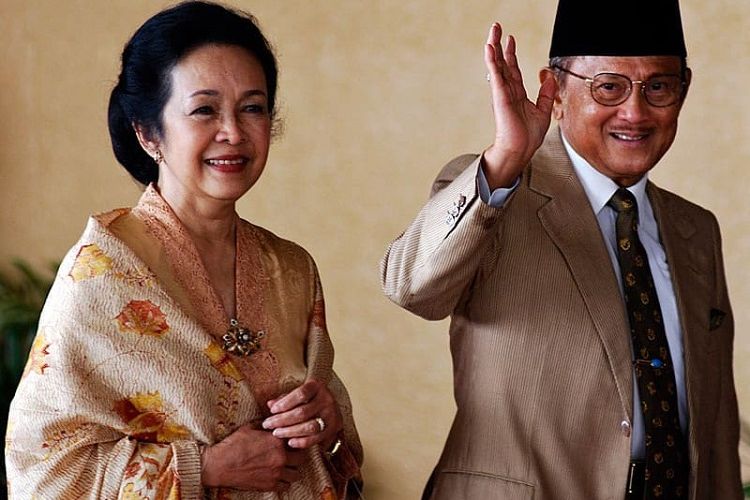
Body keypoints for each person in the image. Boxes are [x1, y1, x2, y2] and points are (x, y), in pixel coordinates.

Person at [380, 0, 741, 498]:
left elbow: (716, 426)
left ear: (684, 90)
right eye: (609, 87)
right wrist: (506, 157)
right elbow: (410, 288)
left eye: (658, 87)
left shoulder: (695, 230)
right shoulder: (496, 190)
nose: (635, 113)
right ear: (556, 90)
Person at [5, 2, 362, 498]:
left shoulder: (291, 269)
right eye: (204, 110)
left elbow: (336, 450)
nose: (233, 132)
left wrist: (329, 420)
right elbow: (42, 473)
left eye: (252, 107)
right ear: (147, 132)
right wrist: (202, 467)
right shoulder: (102, 273)